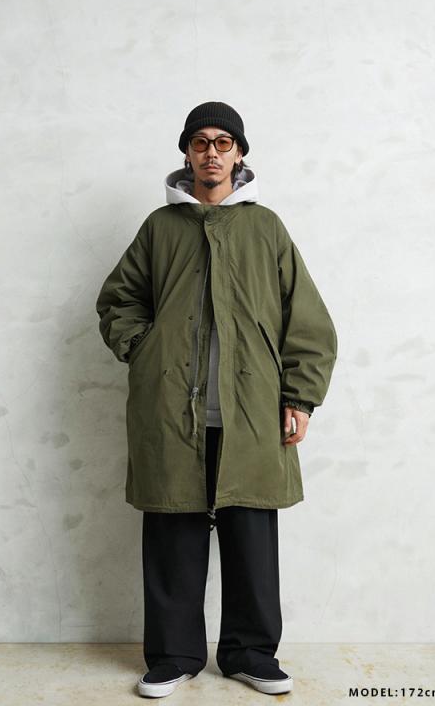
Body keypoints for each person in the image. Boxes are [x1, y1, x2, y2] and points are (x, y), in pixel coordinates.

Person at [95, 101, 338, 698]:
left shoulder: (265, 227)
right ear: (187, 153)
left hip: (250, 409)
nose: (211, 152)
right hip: (171, 408)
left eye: (223, 142)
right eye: (200, 141)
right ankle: (173, 656)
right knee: (173, 532)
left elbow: (306, 319)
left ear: (239, 154)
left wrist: (300, 397)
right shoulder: (160, 227)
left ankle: (251, 654)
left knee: (251, 535)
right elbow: (119, 301)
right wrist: (144, 349)